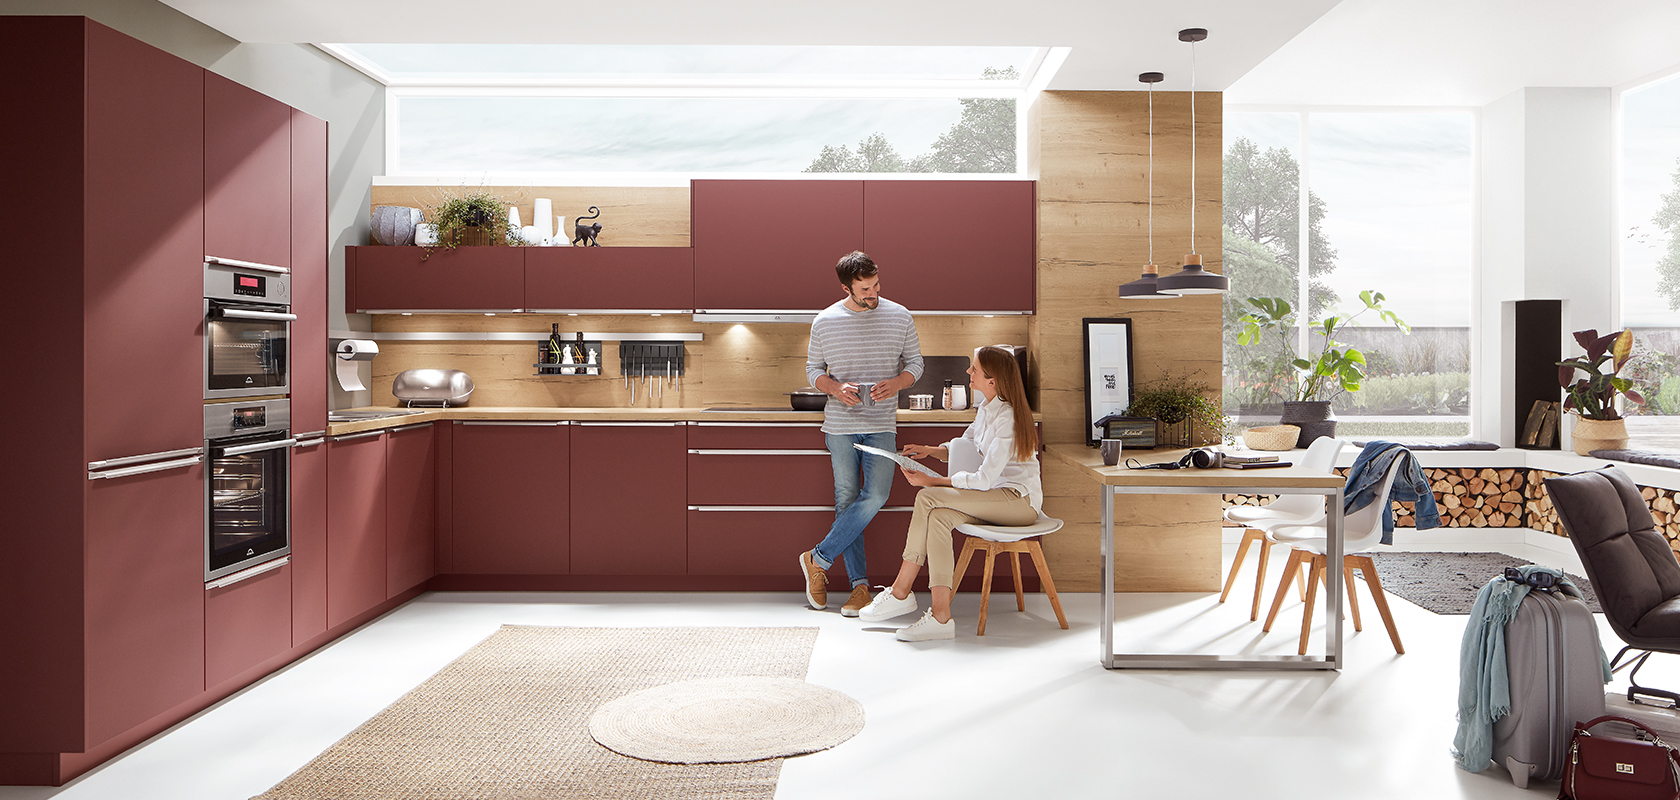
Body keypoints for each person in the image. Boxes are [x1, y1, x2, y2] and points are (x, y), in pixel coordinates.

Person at [857, 346, 1042, 641]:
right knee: (939, 516)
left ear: (992, 380)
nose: (969, 372)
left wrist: (934, 483)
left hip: (1018, 502)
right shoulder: (986, 409)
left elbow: (983, 479)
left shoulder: (1008, 419)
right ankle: (941, 617)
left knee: (927, 497)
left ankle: (901, 591)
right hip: (995, 496)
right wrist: (930, 451)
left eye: (975, 370)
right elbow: (964, 445)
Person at [799, 251, 924, 615]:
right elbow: (812, 370)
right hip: (840, 425)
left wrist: (898, 381)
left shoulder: (899, 315)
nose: (874, 293)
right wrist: (835, 389)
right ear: (846, 288)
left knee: (876, 495)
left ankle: (817, 559)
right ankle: (860, 588)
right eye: (865, 289)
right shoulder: (824, 321)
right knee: (846, 501)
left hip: (882, 423)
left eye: (876, 285)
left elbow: (916, 363)